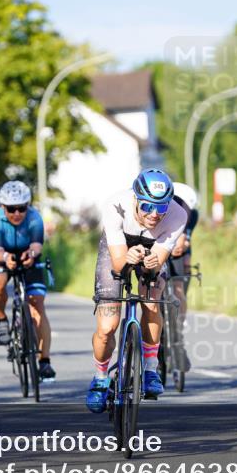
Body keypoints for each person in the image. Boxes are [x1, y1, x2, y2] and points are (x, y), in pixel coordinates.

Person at [86, 168, 188, 413]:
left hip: (153, 248)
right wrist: (128, 258)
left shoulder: (178, 215)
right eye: (147, 207)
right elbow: (119, 263)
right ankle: (100, 378)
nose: (154, 214)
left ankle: (151, 369)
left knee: (152, 302)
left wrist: (153, 264)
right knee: (107, 327)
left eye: (161, 208)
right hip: (119, 247)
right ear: (135, 199)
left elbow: (160, 259)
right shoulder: (115, 205)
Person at [0, 181, 55, 381]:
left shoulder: (34, 218)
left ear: (28, 206)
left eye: (22, 208)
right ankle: (0, 318)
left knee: (38, 305)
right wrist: (7, 258)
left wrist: (31, 255)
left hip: (28, 254)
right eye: (11, 209)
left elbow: (36, 245)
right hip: (1, 254)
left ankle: (45, 361)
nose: (17, 213)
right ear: (2, 207)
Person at [169, 181, 199, 372]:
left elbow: (186, 240)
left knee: (180, 284)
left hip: (179, 251)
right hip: (159, 246)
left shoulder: (193, 215)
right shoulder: (163, 208)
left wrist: (184, 247)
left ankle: (178, 327)